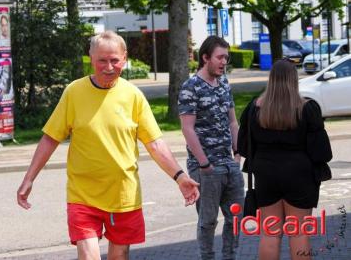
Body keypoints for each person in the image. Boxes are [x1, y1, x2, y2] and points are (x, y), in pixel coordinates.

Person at [17, 31, 200, 260]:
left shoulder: (133, 96)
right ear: (91, 59)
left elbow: (154, 142)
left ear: (124, 58)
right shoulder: (74, 92)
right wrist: (29, 178)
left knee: (119, 256)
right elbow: (50, 138)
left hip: (124, 196)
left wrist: (180, 176)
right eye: (102, 60)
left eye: (114, 60)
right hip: (82, 194)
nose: (109, 66)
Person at [238, 59, 332, 260]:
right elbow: (322, 152)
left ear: (271, 79)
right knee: (299, 234)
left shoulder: (255, 108)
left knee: (270, 235)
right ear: (294, 80)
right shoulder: (306, 108)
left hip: (266, 176)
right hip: (299, 176)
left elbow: (244, 146)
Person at [178, 35, 245, 260]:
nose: (224, 62)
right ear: (205, 57)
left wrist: (237, 153)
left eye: (226, 57)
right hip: (205, 167)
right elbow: (188, 129)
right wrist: (204, 164)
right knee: (208, 221)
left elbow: (233, 122)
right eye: (220, 57)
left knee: (236, 217)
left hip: (229, 164)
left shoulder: (224, 83)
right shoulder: (191, 87)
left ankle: (230, 257)